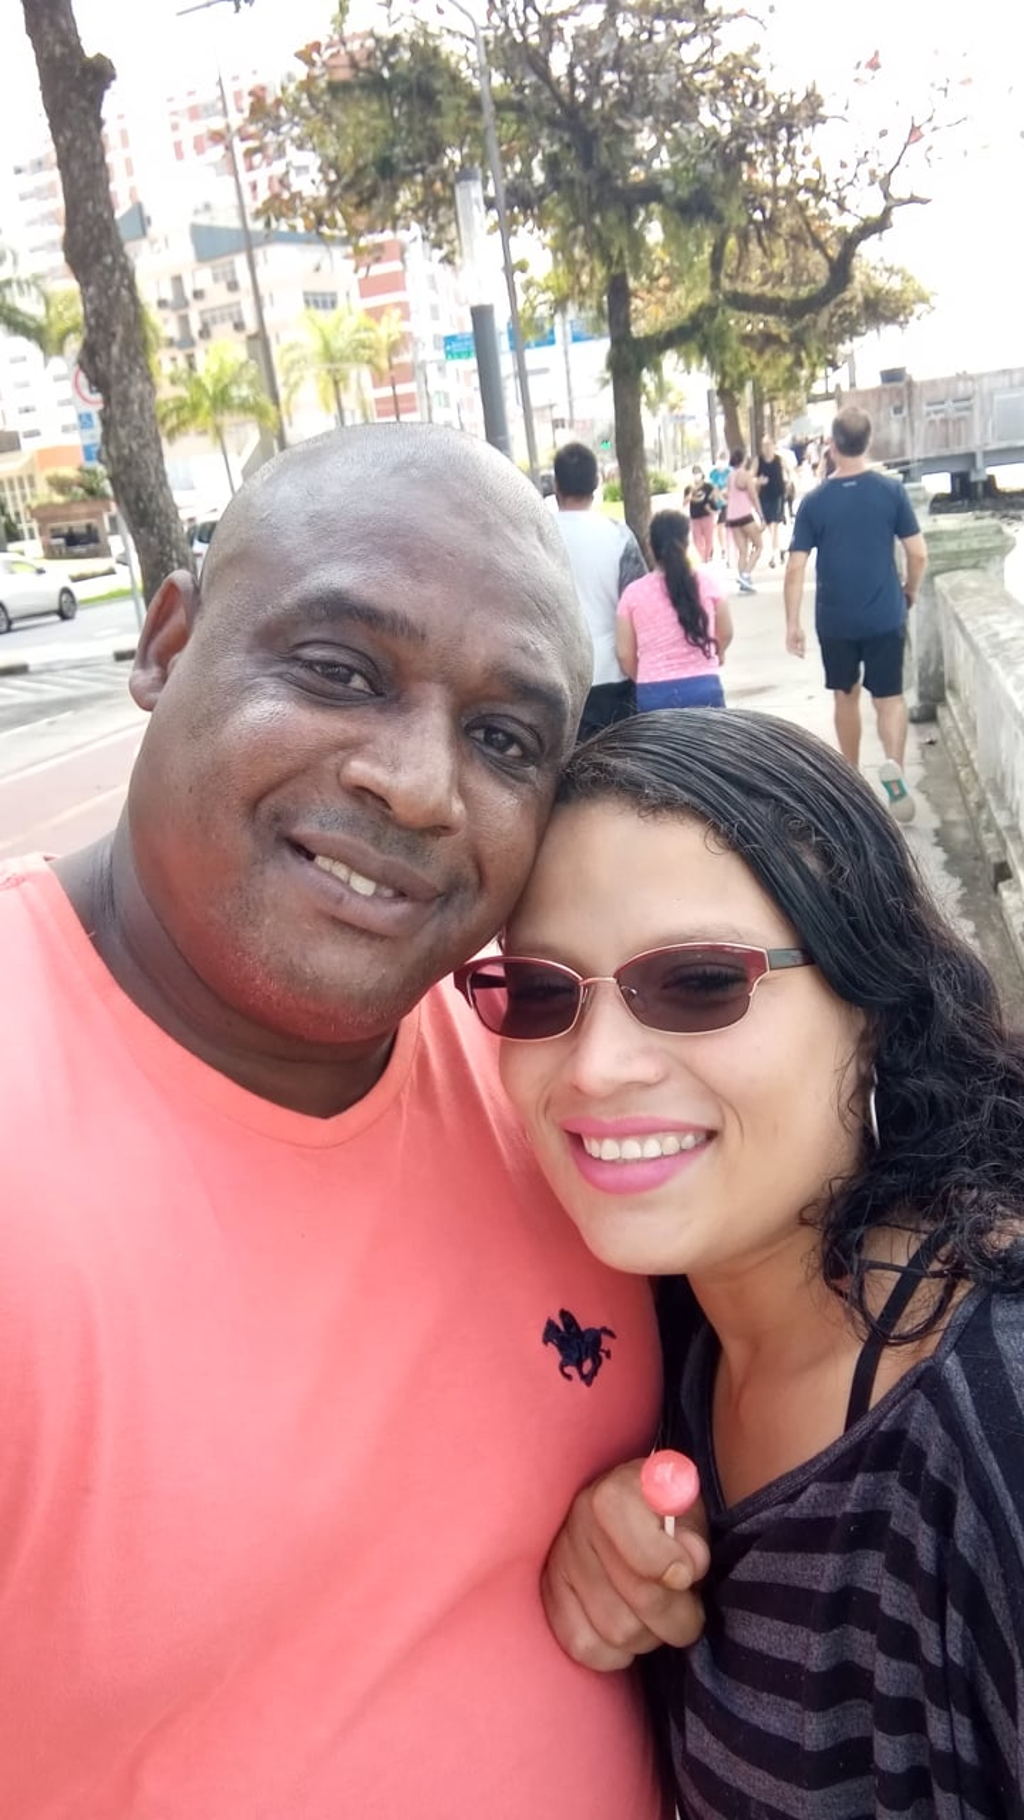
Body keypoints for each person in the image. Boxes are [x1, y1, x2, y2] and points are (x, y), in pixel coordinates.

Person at [0, 425, 689, 1819]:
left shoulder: (558, 1075)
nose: (418, 784)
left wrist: (648, 1519)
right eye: (338, 670)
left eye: (504, 739)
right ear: (167, 644)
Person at [454, 706, 1024, 1819]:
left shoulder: (994, 1418)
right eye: (543, 991)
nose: (597, 1067)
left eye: (699, 982)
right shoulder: (665, 1335)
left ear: (874, 1004)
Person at [785, 404, 929, 822]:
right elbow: (918, 553)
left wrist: (792, 623)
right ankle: (895, 767)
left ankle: (851, 781)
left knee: (844, 696)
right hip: (885, 613)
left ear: (831, 444)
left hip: (836, 619)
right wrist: (909, 591)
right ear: (869, 442)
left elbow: (795, 566)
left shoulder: (815, 502)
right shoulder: (891, 492)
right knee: (890, 698)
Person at [552, 440, 648, 740]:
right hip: (612, 674)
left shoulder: (537, 535)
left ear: (556, 484)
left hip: (555, 677)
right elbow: (639, 605)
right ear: (596, 482)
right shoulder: (618, 535)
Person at [616, 509, 733, 710]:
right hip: (703, 686)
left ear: (650, 546)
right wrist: (716, 653)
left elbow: (625, 654)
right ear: (687, 543)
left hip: (654, 694)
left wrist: (645, 677)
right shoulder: (707, 584)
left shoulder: (633, 594)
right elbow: (726, 632)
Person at [724, 447, 762, 593]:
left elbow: (729, 494)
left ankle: (743, 581)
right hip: (745, 515)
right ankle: (746, 575)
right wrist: (761, 515)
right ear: (744, 460)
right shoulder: (745, 475)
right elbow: (753, 497)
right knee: (758, 545)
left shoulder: (730, 476)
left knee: (742, 551)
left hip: (732, 517)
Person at [755, 434, 787, 566]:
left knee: (774, 524)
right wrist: (758, 480)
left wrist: (790, 481)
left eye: (769, 445)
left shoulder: (779, 459)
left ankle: (774, 555)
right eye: (764, 445)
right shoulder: (758, 461)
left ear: (774, 446)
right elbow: (750, 476)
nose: (767, 448)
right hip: (764, 497)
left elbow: (788, 471)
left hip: (777, 495)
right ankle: (778, 549)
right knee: (769, 525)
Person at [686, 464, 718, 563]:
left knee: (708, 538)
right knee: (697, 539)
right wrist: (690, 496)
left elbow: (714, 499)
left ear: (702, 474)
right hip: (695, 517)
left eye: (698, 473)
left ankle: (707, 557)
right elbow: (684, 502)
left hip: (707, 515)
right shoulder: (689, 488)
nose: (696, 475)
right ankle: (702, 556)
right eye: (694, 473)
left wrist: (713, 509)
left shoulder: (708, 487)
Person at [708, 451, 731, 559]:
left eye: (723, 459)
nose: (721, 462)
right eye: (719, 459)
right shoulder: (713, 473)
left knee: (726, 526)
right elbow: (712, 487)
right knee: (719, 526)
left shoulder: (729, 472)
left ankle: (728, 547)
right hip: (716, 503)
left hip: (728, 503)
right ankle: (723, 548)